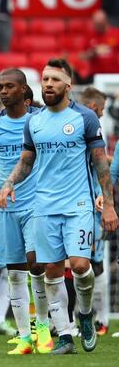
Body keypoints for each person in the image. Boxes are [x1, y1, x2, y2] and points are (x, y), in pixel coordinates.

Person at [0, 59, 118, 354]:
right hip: (44, 206)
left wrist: (108, 205)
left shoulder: (85, 118)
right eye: (45, 79)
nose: (48, 84)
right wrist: (9, 182)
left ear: (68, 85)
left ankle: (85, 315)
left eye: (54, 79)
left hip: (78, 205)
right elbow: (27, 160)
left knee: (80, 265)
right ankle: (64, 335)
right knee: (51, 271)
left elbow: (100, 163)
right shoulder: (34, 122)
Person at [0, 68, 53, 355]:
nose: (3, 91)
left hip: (35, 204)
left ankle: (42, 326)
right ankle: (25, 338)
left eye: (9, 86)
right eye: (1, 87)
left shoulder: (39, 120)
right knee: (15, 271)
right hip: (5, 207)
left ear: (23, 90)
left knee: (36, 264)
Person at [80, 86, 110, 336]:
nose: (101, 115)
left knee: (94, 262)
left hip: (93, 207)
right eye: (100, 110)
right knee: (76, 264)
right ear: (92, 107)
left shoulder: (93, 132)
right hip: (79, 207)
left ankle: (100, 319)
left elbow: (100, 165)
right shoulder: (78, 128)